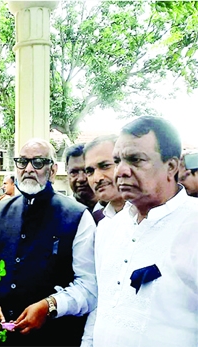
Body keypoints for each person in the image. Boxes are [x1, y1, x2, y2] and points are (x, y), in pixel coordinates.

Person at [84, 116, 198, 346]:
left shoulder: (193, 225)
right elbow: (103, 306)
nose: (122, 171)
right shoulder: (108, 228)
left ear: (172, 166)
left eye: (135, 160)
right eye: (117, 160)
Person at [0, 138, 96, 346]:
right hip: (2, 338)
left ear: (53, 170)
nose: (28, 169)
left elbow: (89, 287)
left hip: (55, 337)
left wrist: (50, 306)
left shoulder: (78, 216)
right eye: (22, 162)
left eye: (38, 162)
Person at [83, 135, 126, 224]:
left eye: (105, 166)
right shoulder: (101, 224)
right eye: (90, 171)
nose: (97, 178)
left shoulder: (152, 215)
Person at [64, 144, 98, 211]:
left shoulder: (115, 210)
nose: (81, 179)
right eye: (74, 172)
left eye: (86, 171)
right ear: (67, 173)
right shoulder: (61, 211)